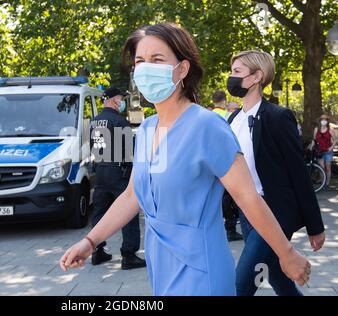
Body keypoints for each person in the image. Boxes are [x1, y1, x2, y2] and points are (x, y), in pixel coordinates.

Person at [60, 22, 311, 296]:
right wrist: (90, 240)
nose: (145, 68)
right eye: (140, 61)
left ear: (182, 68)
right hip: (160, 263)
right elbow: (133, 195)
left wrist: (287, 253)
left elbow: (247, 197)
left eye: (157, 59)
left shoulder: (208, 127)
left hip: (202, 268)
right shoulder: (145, 130)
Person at [226, 50, 325, 296]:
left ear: (257, 76)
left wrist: (315, 225)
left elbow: (298, 172)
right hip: (247, 214)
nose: (231, 77)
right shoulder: (233, 119)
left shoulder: (277, 117)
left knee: (240, 286)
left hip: (275, 213)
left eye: (237, 72)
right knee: (277, 278)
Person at [89, 87, 146, 270]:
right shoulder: (119, 121)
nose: (122, 102)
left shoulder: (95, 121)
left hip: (101, 171)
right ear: (114, 100)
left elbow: (93, 147)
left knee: (99, 211)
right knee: (128, 212)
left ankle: (97, 251)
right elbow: (130, 153)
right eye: (121, 99)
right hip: (118, 172)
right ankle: (129, 256)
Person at [311, 115, 335, 190]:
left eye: (325, 119)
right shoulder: (316, 129)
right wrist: (311, 147)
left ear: (327, 121)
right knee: (321, 168)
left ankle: (327, 184)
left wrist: (331, 147)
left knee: (328, 168)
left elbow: (335, 140)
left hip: (328, 151)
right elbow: (314, 140)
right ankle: (323, 183)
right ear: (320, 120)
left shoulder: (330, 130)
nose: (323, 121)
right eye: (322, 119)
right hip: (319, 151)